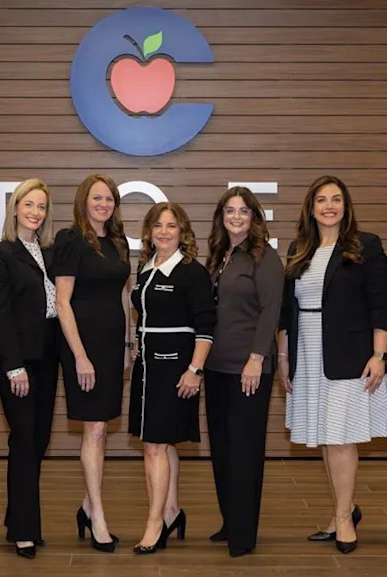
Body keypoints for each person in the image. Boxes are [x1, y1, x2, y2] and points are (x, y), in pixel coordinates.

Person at [276, 175, 387, 555]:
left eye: (336, 199)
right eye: (322, 200)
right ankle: (342, 510)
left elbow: (381, 303)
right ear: (311, 209)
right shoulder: (299, 249)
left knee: (342, 439)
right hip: (308, 354)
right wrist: (284, 358)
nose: (329, 206)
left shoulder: (365, 246)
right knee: (327, 439)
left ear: (346, 206)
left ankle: (344, 520)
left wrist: (379, 355)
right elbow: (286, 310)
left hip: (350, 355)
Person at [128, 203, 216, 555]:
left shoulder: (192, 272)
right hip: (146, 366)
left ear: (183, 231)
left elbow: (206, 326)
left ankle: (155, 524)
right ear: (149, 232)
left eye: (171, 225)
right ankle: (172, 511)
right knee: (162, 444)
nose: (164, 232)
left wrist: (195, 370)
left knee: (155, 445)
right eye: (157, 226)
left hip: (176, 368)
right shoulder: (146, 268)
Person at [203, 186, 283, 558]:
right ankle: (230, 521)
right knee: (222, 449)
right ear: (221, 217)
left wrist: (257, 358)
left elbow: (271, 311)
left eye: (243, 211)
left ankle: (244, 534)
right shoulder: (219, 255)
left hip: (248, 369)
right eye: (230, 211)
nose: (236, 217)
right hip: (215, 367)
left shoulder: (264, 257)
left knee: (245, 451)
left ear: (254, 217)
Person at [54, 174, 131, 553]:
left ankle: (87, 506)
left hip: (113, 345)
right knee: (95, 428)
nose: (103, 204)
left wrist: (128, 343)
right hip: (82, 345)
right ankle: (97, 515)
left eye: (109, 199)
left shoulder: (118, 242)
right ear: (84, 200)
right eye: (97, 198)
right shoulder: (70, 240)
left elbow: (123, 296)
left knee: (101, 427)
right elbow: (62, 301)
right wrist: (80, 355)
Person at [0, 178, 59, 559]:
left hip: (48, 356)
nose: (35, 212)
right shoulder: (1, 254)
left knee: (39, 438)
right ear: (15, 208)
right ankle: (24, 531)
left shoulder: (49, 252)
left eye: (41, 206)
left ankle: (20, 520)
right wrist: (13, 366)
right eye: (29, 204)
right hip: (17, 361)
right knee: (25, 439)